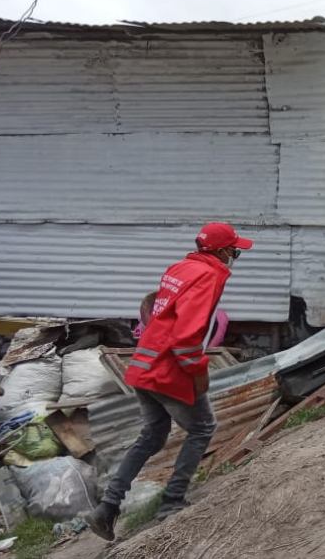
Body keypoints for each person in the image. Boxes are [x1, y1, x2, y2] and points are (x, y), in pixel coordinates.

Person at [85, 222, 253, 541]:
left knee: (152, 434)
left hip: (144, 362)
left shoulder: (180, 267)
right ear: (220, 251)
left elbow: (156, 312)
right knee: (202, 428)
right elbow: (187, 334)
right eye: (235, 250)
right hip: (169, 367)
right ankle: (172, 501)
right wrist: (197, 370)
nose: (236, 256)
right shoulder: (209, 275)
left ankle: (106, 509)